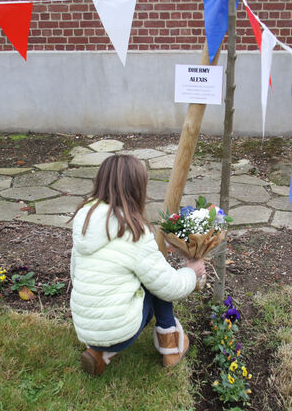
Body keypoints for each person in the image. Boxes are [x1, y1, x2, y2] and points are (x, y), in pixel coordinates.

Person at [69, 154, 206, 376]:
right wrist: (191, 272)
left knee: (143, 278)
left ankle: (99, 353)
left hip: (85, 328)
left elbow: (77, 274)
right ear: (137, 188)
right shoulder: (134, 231)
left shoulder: (85, 221)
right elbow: (168, 286)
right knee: (155, 286)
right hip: (120, 331)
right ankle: (171, 348)